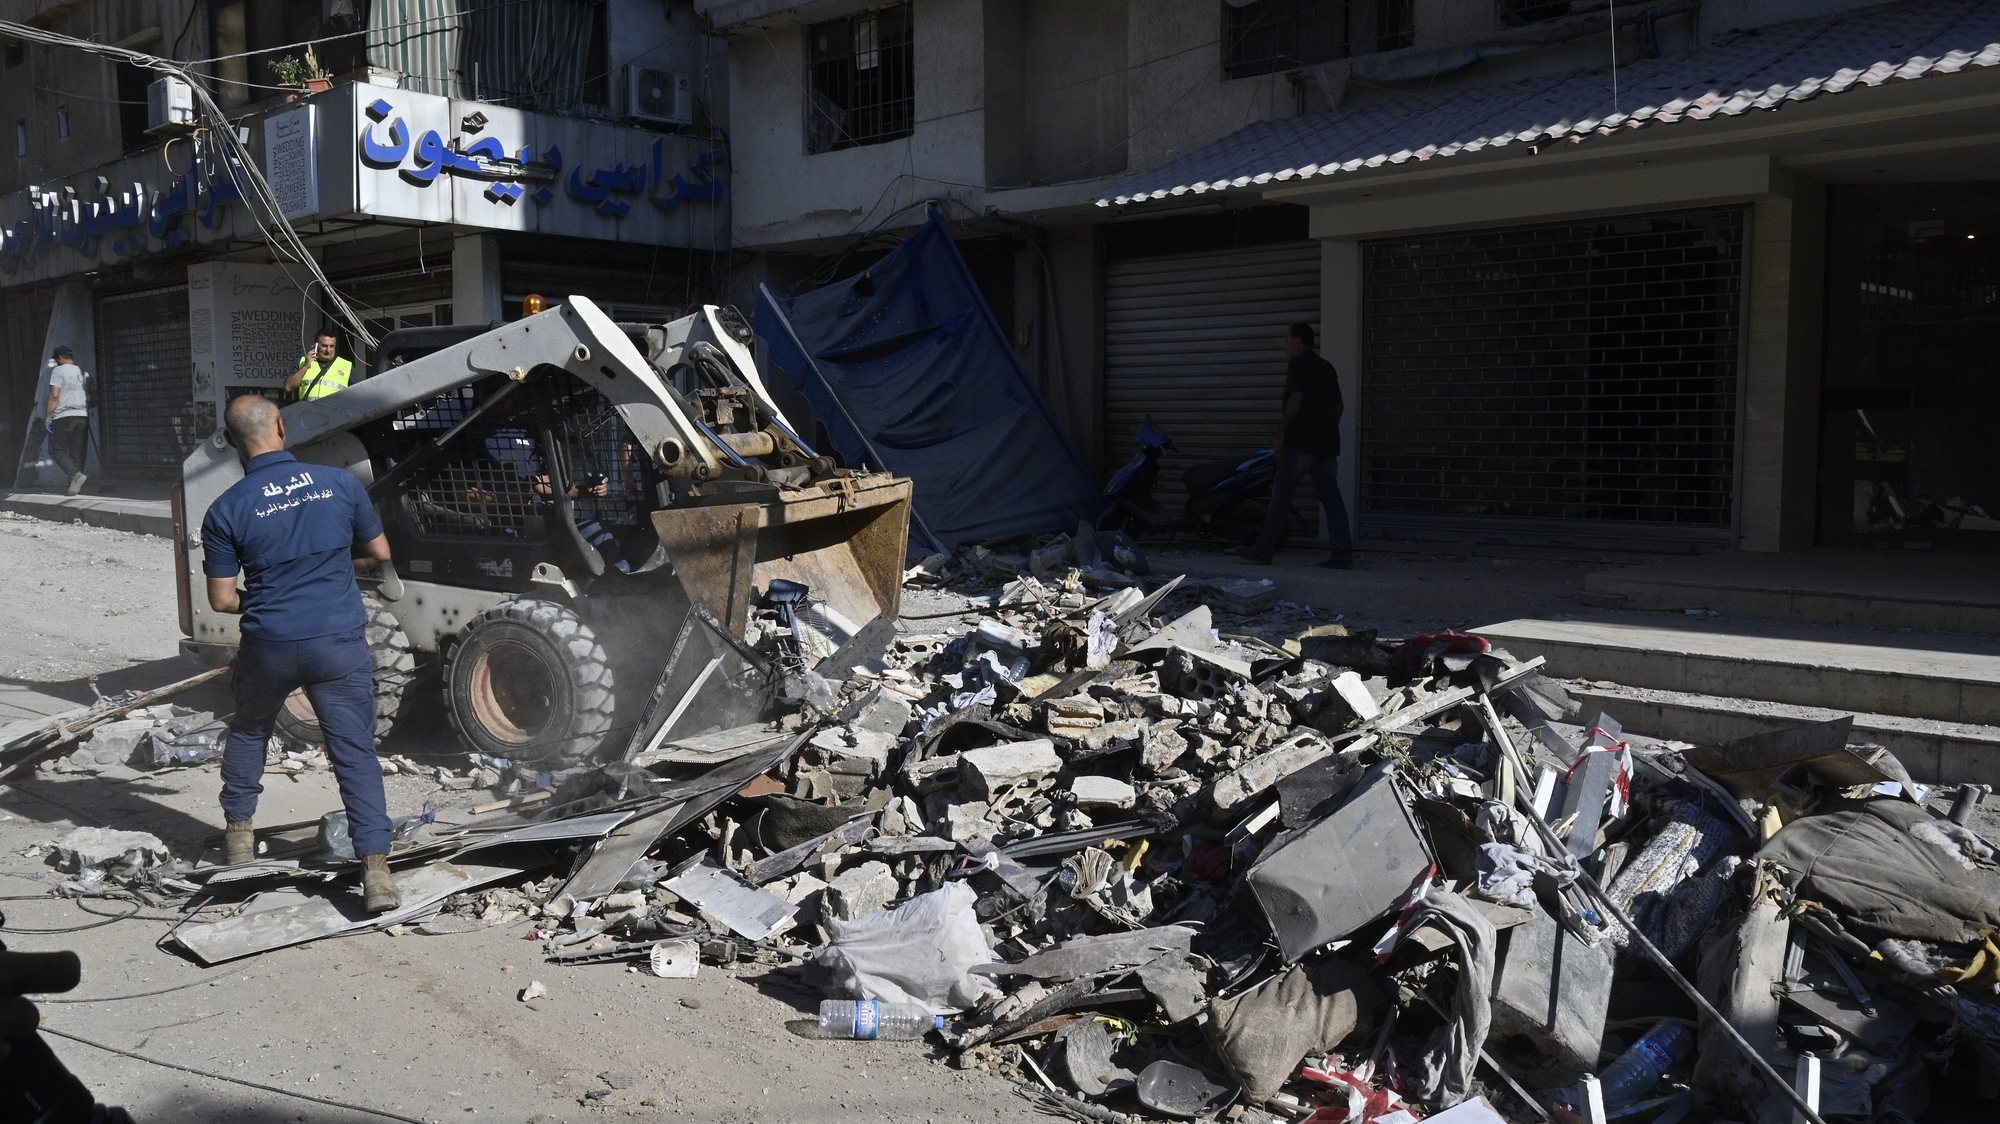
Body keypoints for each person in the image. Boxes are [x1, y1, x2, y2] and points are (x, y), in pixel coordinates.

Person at [200, 395, 401, 913]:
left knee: (249, 730)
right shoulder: (339, 484)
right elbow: (379, 554)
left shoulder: (225, 509)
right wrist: (331, 565)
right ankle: (376, 872)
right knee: (353, 751)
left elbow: (222, 600)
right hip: (335, 641)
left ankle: (239, 841)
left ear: (230, 444)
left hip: (270, 643)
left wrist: (267, 597)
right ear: (282, 427)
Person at [1236, 322, 1353, 569]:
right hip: (1327, 445)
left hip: (1301, 443)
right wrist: (1327, 427)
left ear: (1298, 342)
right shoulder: (1327, 367)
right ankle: (1343, 555)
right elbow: (1339, 407)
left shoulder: (1299, 364)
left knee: (1281, 496)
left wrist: (1281, 431)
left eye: (1287, 341)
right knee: (1332, 499)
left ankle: (1264, 550)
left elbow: (1296, 398)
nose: (1285, 346)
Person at [43, 345, 90, 496]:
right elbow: (95, 397)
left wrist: (48, 416)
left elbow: (54, 395)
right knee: (76, 452)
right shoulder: (83, 372)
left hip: (64, 415)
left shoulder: (58, 370)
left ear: (60, 358)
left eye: (57, 360)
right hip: (82, 415)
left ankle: (75, 475)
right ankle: (73, 487)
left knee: (56, 449)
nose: (57, 362)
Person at [284, 329, 353, 401]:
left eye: (332, 346)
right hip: (309, 411)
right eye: (324, 346)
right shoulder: (302, 362)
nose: (328, 350)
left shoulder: (347, 366)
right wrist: (306, 366)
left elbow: (357, 395)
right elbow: (288, 387)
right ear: (315, 346)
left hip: (334, 411)